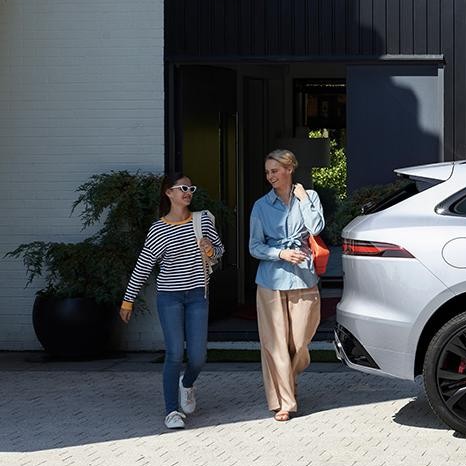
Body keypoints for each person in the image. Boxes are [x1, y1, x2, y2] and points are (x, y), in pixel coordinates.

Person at [120, 173, 224, 430]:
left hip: (198, 295)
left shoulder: (202, 222)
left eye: (191, 187)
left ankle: (186, 384)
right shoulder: (158, 229)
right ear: (169, 193)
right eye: (183, 188)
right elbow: (144, 266)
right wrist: (128, 300)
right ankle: (171, 411)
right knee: (175, 352)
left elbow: (220, 252)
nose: (188, 192)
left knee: (198, 357)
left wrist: (210, 249)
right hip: (170, 297)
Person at [248, 149, 325, 422]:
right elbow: (254, 246)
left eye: (275, 170)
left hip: (304, 276)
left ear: (289, 169)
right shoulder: (260, 206)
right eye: (267, 172)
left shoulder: (310, 197)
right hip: (270, 280)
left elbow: (316, 228)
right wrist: (280, 253)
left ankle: (287, 380)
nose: (270, 176)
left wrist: (303, 199)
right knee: (275, 344)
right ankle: (284, 401)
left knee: (300, 342)